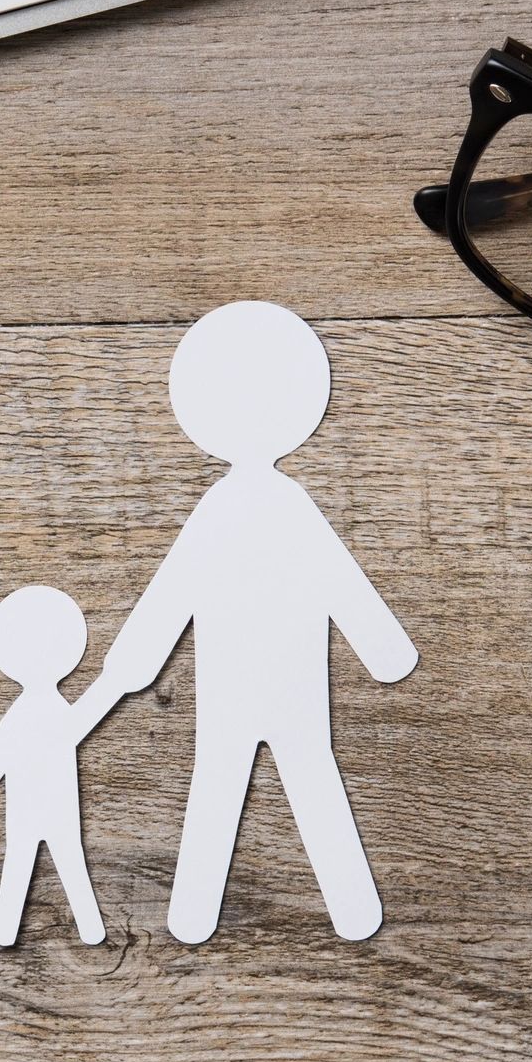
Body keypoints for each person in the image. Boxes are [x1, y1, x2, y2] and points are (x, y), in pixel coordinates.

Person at [79, 302, 417, 944]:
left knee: (238, 774)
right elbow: (324, 578)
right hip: (266, 682)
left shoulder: (240, 504)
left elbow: (181, 588)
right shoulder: (271, 502)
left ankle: (201, 914)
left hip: (253, 683)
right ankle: (330, 912)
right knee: (294, 771)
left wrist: (133, 663)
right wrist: (384, 650)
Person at [0, 585, 108, 946]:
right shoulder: (53, 711)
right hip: (51, 813)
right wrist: (112, 683)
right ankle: (86, 928)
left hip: (32, 813)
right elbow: (91, 712)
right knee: (62, 862)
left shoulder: (23, 714)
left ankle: (10, 930)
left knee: (28, 862)